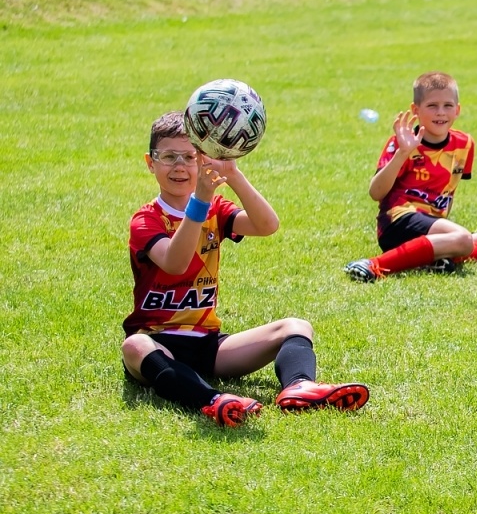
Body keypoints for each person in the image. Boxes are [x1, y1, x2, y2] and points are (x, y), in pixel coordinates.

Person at [124, 112, 369, 426]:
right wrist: (199, 200)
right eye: (168, 157)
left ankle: (299, 386)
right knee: (134, 346)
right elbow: (175, 262)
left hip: (208, 345)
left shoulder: (216, 208)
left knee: (295, 327)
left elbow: (267, 225)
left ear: (203, 160)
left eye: (189, 156)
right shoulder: (146, 220)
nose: (180, 166)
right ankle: (212, 400)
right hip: (157, 342)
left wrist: (233, 175)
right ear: (150, 162)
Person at [345, 73, 477, 282]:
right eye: (432, 105)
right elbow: (376, 193)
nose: (441, 112)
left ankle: (436, 257)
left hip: (431, 226)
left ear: (458, 109)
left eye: (447, 105)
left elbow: (448, 192)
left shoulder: (465, 144)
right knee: (463, 239)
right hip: (398, 221)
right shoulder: (403, 142)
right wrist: (402, 153)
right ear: (415, 110)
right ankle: (374, 265)